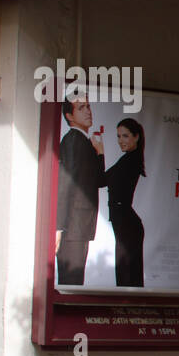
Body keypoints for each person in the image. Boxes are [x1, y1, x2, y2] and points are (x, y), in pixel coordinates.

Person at [54, 91, 104, 285]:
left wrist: (100, 153)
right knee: (71, 282)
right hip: (71, 227)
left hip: (78, 225)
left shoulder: (84, 141)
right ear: (69, 116)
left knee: (74, 281)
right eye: (81, 108)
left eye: (88, 106)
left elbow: (98, 181)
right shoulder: (74, 140)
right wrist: (58, 227)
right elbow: (65, 183)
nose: (88, 111)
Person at [103, 117, 146, 287]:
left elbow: (103, 180)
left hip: (127, 224)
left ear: (136, 137)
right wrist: (99, 154)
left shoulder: (130, 160)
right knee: (126, 277)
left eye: (125, 136)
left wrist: (99, 154)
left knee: (127, 278)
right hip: (124, 222)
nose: (121, 141)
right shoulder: (126, 160)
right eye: (119, 136)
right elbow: (101, 180)